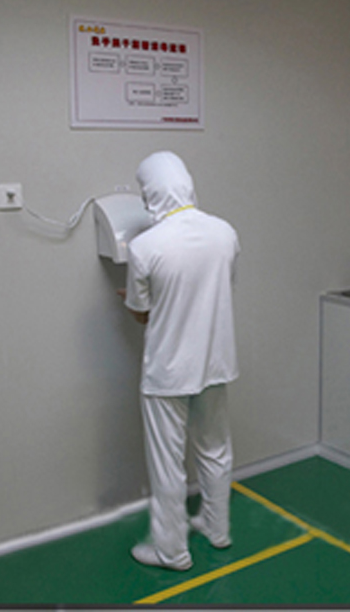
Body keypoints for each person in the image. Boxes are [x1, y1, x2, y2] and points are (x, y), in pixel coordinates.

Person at [120, 150, 240, 571]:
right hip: (215, 360)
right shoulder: (225, 232)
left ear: (150, 191)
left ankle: (171, 551)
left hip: (168, 370)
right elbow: (218, 288)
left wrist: (135, 298)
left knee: (167, 464)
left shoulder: (144, 247)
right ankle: (217, 528)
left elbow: (142, 313)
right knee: (215, 449)